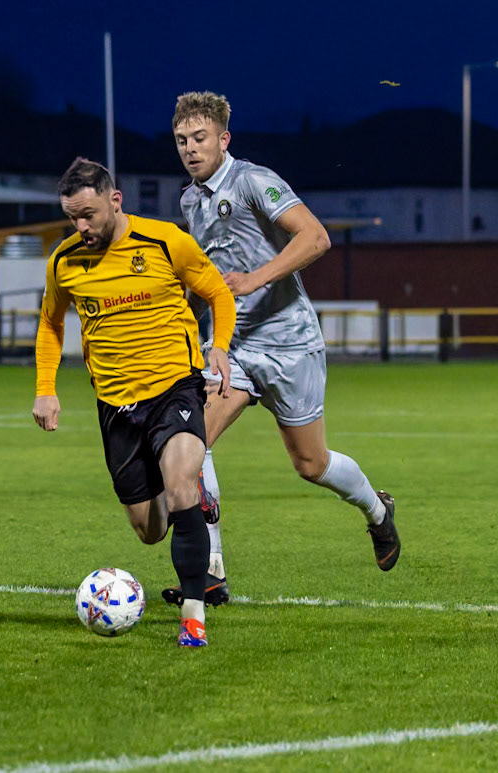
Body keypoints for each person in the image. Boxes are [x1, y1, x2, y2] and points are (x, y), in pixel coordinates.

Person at [160, 91, 400, 607]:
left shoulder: (254, 181)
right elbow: (205, 274)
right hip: (234, 347)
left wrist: (254, 280)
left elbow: (315, 238)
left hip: (290, 344)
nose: (190, 149)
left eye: (199, 138)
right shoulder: (188, 201)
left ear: (223, 139)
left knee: (311, 465)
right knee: (190, 438)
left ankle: (378, 512)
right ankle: (210, 571)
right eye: (181, 140)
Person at [33, 158, 237, 648]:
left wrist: (220, 345)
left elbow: (217, 293)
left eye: (89, 215)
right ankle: (188, 502)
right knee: (149, 529)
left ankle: (194, 614)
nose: (81, 227)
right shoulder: (64, 261)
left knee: (182, 481)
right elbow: (51, 324)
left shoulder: (166, 240)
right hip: (116, 405)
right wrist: (46, 387)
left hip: (175, 388)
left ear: (114, 200)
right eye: (72, 218)